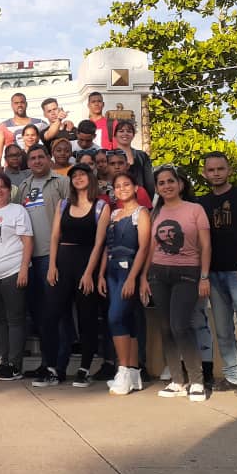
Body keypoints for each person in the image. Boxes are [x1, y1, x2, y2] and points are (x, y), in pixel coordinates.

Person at [140, 165, 211, 402]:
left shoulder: (195, 209)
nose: (167, 186)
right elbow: (150, 247)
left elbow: (206, 245)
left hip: (187, 273)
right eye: (161, 183)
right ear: (157, 188)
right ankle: (177, 381)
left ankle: (197, 381)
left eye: (171, 181)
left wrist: (204, 276)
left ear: (179, 184)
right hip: (158, 274)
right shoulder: (155, 212)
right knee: (166, 328)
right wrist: (144, 277)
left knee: (181, 326)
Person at [198, 152, 237, 396]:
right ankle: (233, 376)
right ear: (205, 174)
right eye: (211, 170)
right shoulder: (202, 203)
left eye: (220, 168)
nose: (216, 173)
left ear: (229, 170)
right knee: (223, 329)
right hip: (214, 273)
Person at [43, 163, 110, 388]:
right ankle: (51, 367)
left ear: (90, 178)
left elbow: (100, 243)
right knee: (51, 315)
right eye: (75, 176)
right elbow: (54, 236)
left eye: (82, 174)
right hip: (62, 262)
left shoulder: (101, 206)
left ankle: (84, 368)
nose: (78, 178)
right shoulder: (63, 205)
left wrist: (89, 273)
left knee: (87, 318)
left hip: (85, 264)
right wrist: (52, 265)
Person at [16, 144, 69, 380]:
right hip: (30, 258)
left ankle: (58, 365)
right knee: (39, 314)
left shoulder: (61, 183)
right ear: (27, 163)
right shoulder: (23, 187)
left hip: (53, 256)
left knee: (55, 313)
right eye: (33, 158)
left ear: (48, 159)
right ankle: (46, 362)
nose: (37, 161)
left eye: (41, 157)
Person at [99, 171, 150, 395]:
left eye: (126, 184)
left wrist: (134, 278)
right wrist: (100, 274)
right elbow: (106, 247)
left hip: (129, 269)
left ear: (136, 187)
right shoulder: (114, 213)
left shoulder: (142, 213)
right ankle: (133, 373)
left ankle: (122, 369)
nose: (122, 188)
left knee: (115, 318)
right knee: (127, 321)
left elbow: (144, 248)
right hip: (111, 272)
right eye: (117, 186)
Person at [0, 173, 34, 381]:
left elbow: (28, 241)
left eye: (3, 186)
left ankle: (14, 364)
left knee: (15, 319)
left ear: (9, 189)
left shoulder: (17, 211)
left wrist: (23, 269)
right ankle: (5, 361)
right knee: (1, 320)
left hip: (13, 271)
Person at [0, 93, 47, 159]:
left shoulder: (40, 123)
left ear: (26, 104)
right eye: (16, 103)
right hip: (13, 167)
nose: (19, 105)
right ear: (12, 105)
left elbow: (50, 144)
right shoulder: (3, 126)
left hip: (36, 165)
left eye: (22, 102)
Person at [114, 120, 154, 198]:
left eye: (129, 131)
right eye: (121, 131)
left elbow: (150, 183)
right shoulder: (109, 155)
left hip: (140, 200)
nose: (125, 134)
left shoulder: (142, 156)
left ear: (133, 135)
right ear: (115, 135)